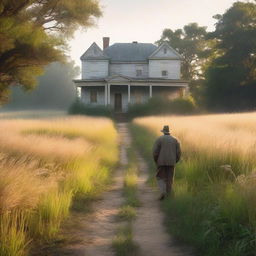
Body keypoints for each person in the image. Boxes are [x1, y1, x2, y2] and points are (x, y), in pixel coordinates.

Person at [152, 125, 181, 200]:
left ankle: (163, 192)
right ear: (169, 131)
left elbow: (155, 152)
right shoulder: (175, 140)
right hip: (172, 162)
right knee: (170, 178)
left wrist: (156, 161)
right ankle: (168, 195)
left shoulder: (159, 139)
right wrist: (175, 160)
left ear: (163, 132)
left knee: (160, 177)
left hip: (161, 162)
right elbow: (179, 153)